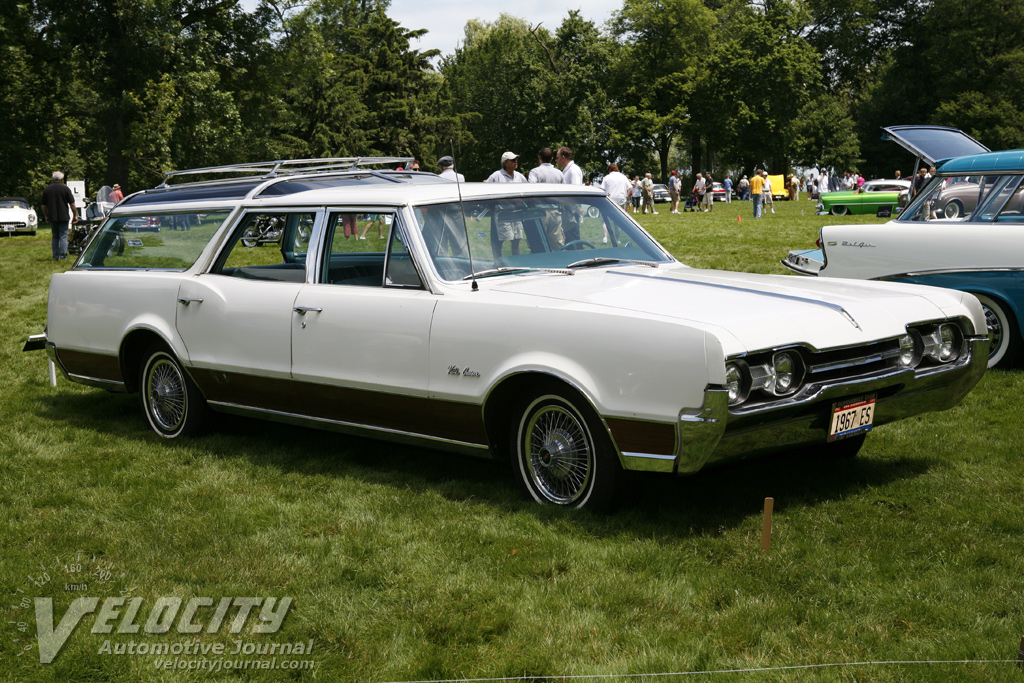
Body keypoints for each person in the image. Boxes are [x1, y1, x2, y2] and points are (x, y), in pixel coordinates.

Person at [485, 152, 527, 256]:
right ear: (505, 163)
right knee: (500, 240)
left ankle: (516, 262)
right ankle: (498, 263)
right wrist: (491, 206)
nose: (515, 161)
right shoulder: (496, 176)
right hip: (502, 214)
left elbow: (527, 191)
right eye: (513, 160)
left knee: (516, 239)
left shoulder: (520, 177)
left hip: (517, 213)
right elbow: (486, 191)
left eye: (516, 159)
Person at [40, 171, 78, 261]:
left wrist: (46, 215)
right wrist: (75, 215)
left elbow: (43, 205)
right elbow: (72, 204)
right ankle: (63, 256)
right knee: (63, 236)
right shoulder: (65, 189)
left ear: (53, 179)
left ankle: (55, 256)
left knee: (55, 236)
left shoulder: (47, 189)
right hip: (64, 216)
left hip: (52, 216)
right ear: (61, 179)